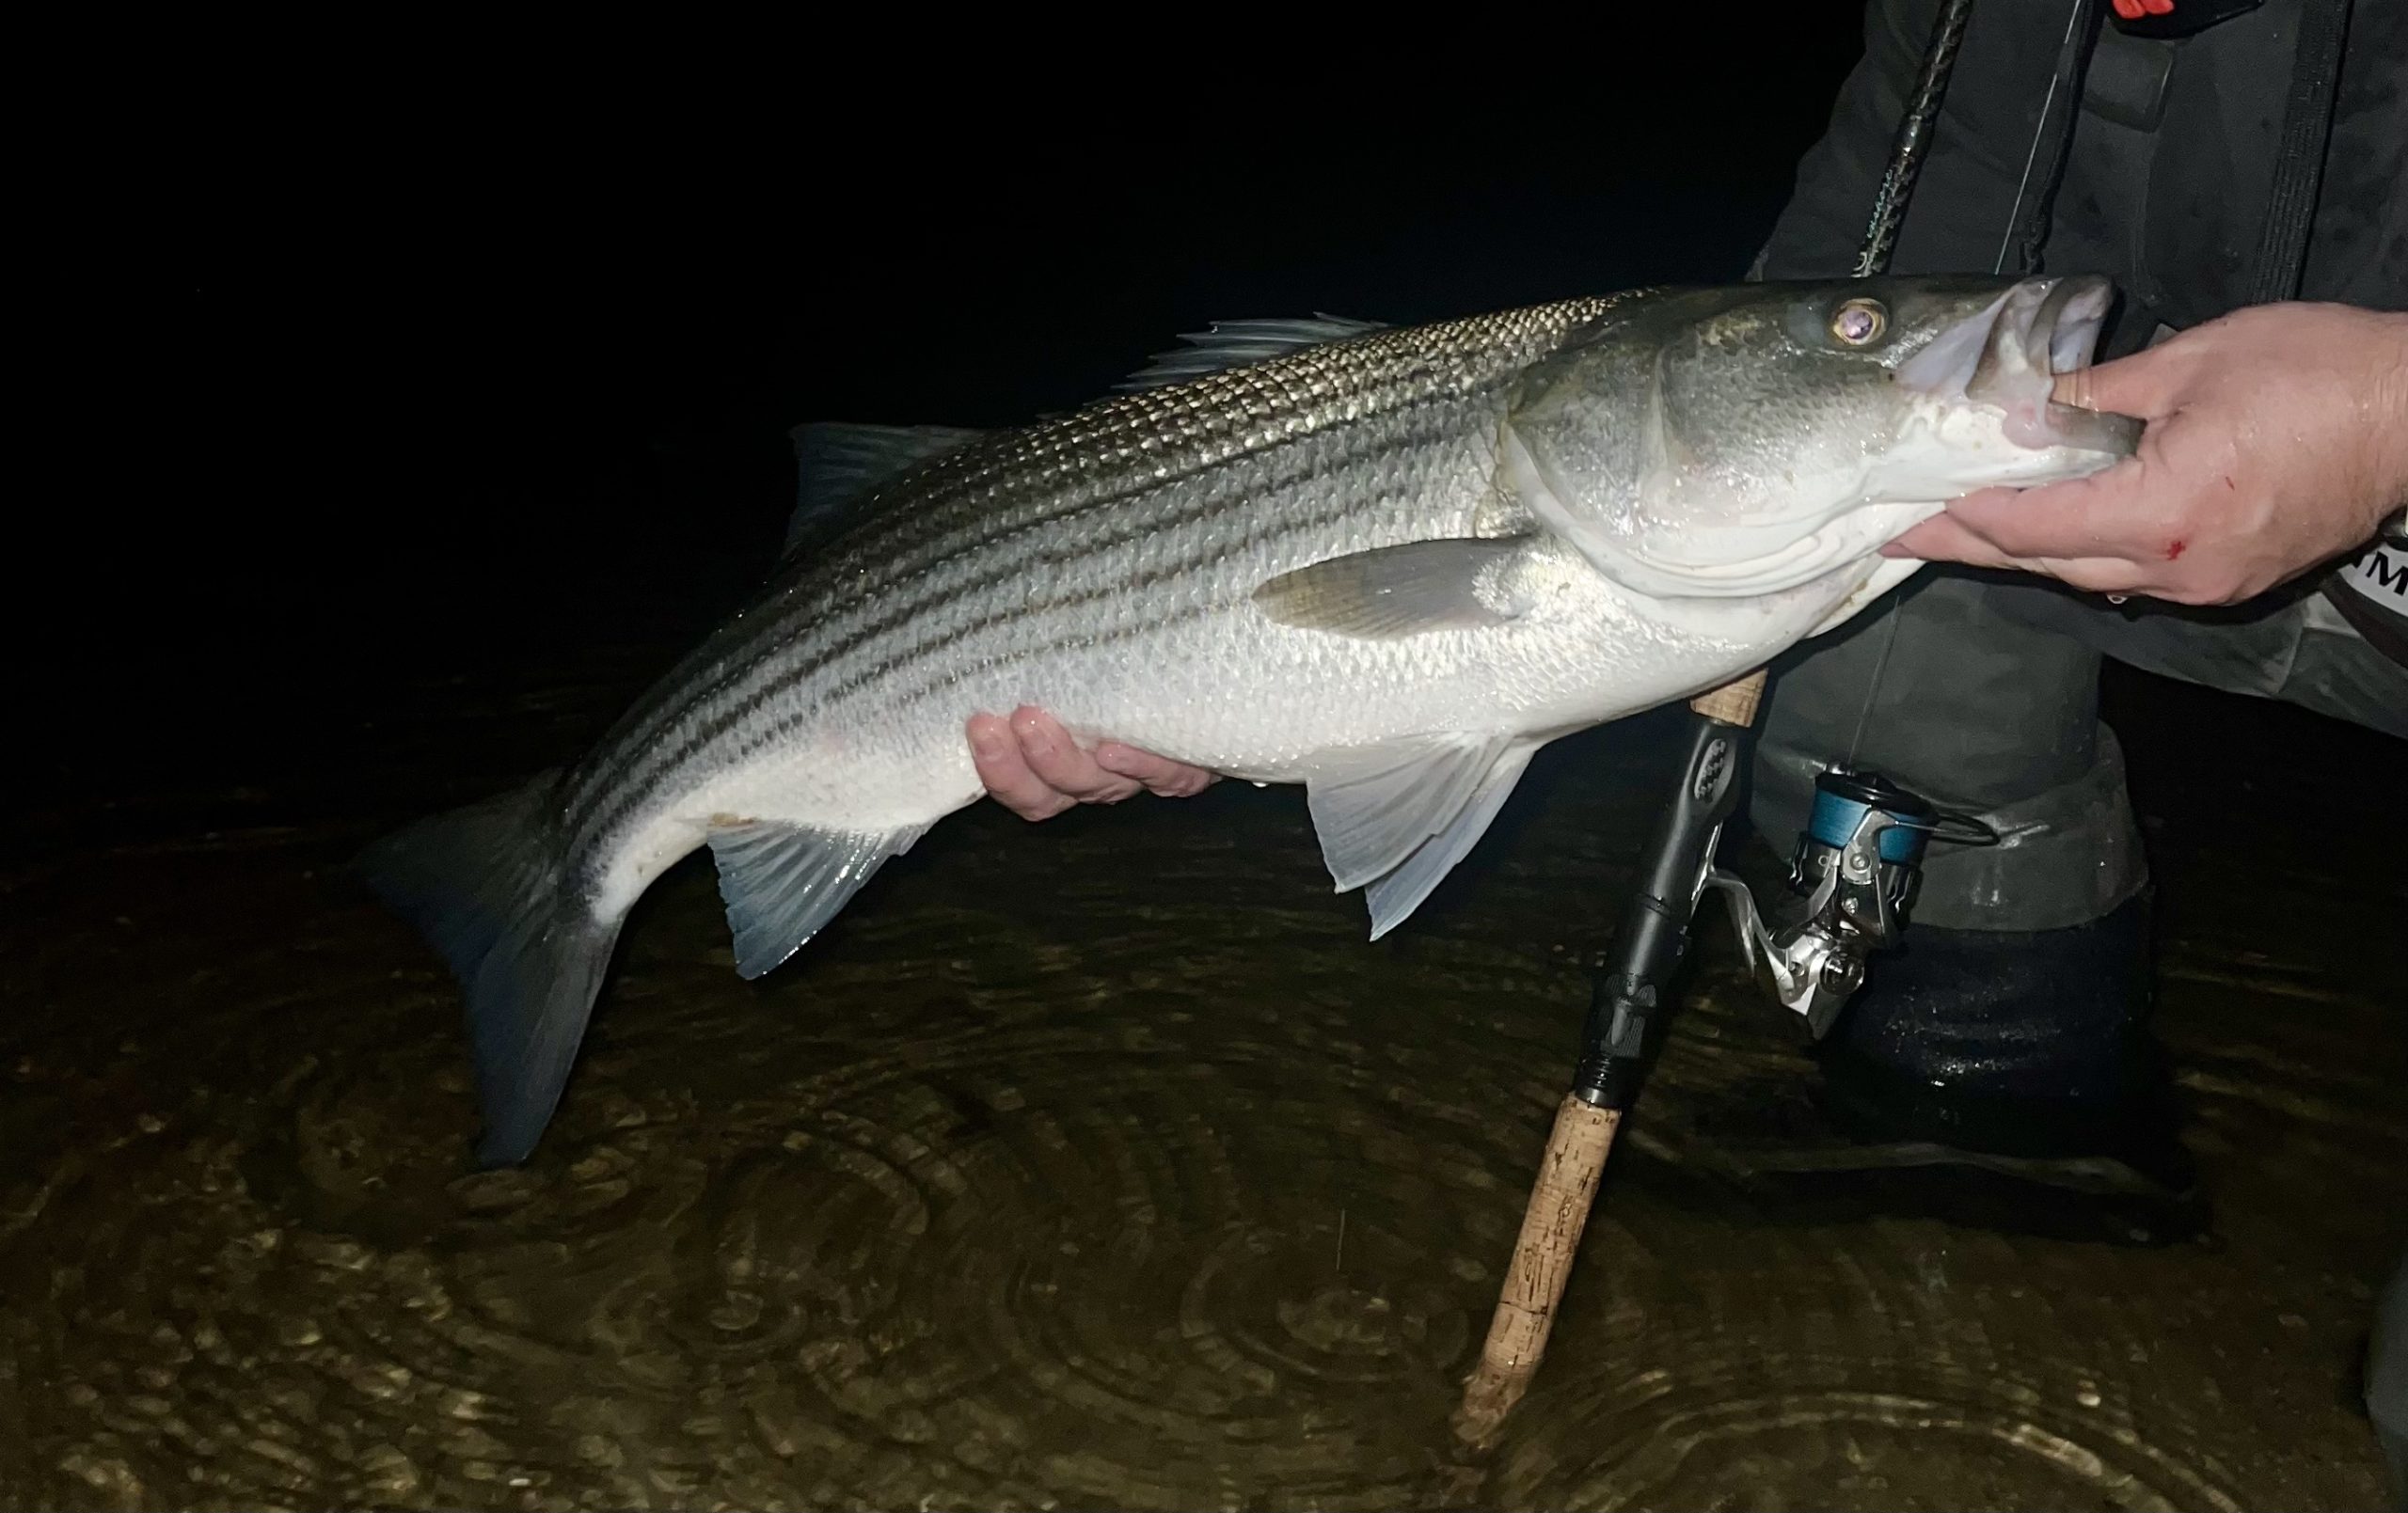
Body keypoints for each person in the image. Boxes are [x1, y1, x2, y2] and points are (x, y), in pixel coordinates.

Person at [960, 0, 2404, 1489]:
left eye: (1865, 339)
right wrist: (1192, 686)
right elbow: (1817, 295)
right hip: (2179, 492)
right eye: (1863, 335)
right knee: (1856, 632)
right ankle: (2009, 1118)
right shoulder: (1969, 23)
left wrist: (2380, 416)